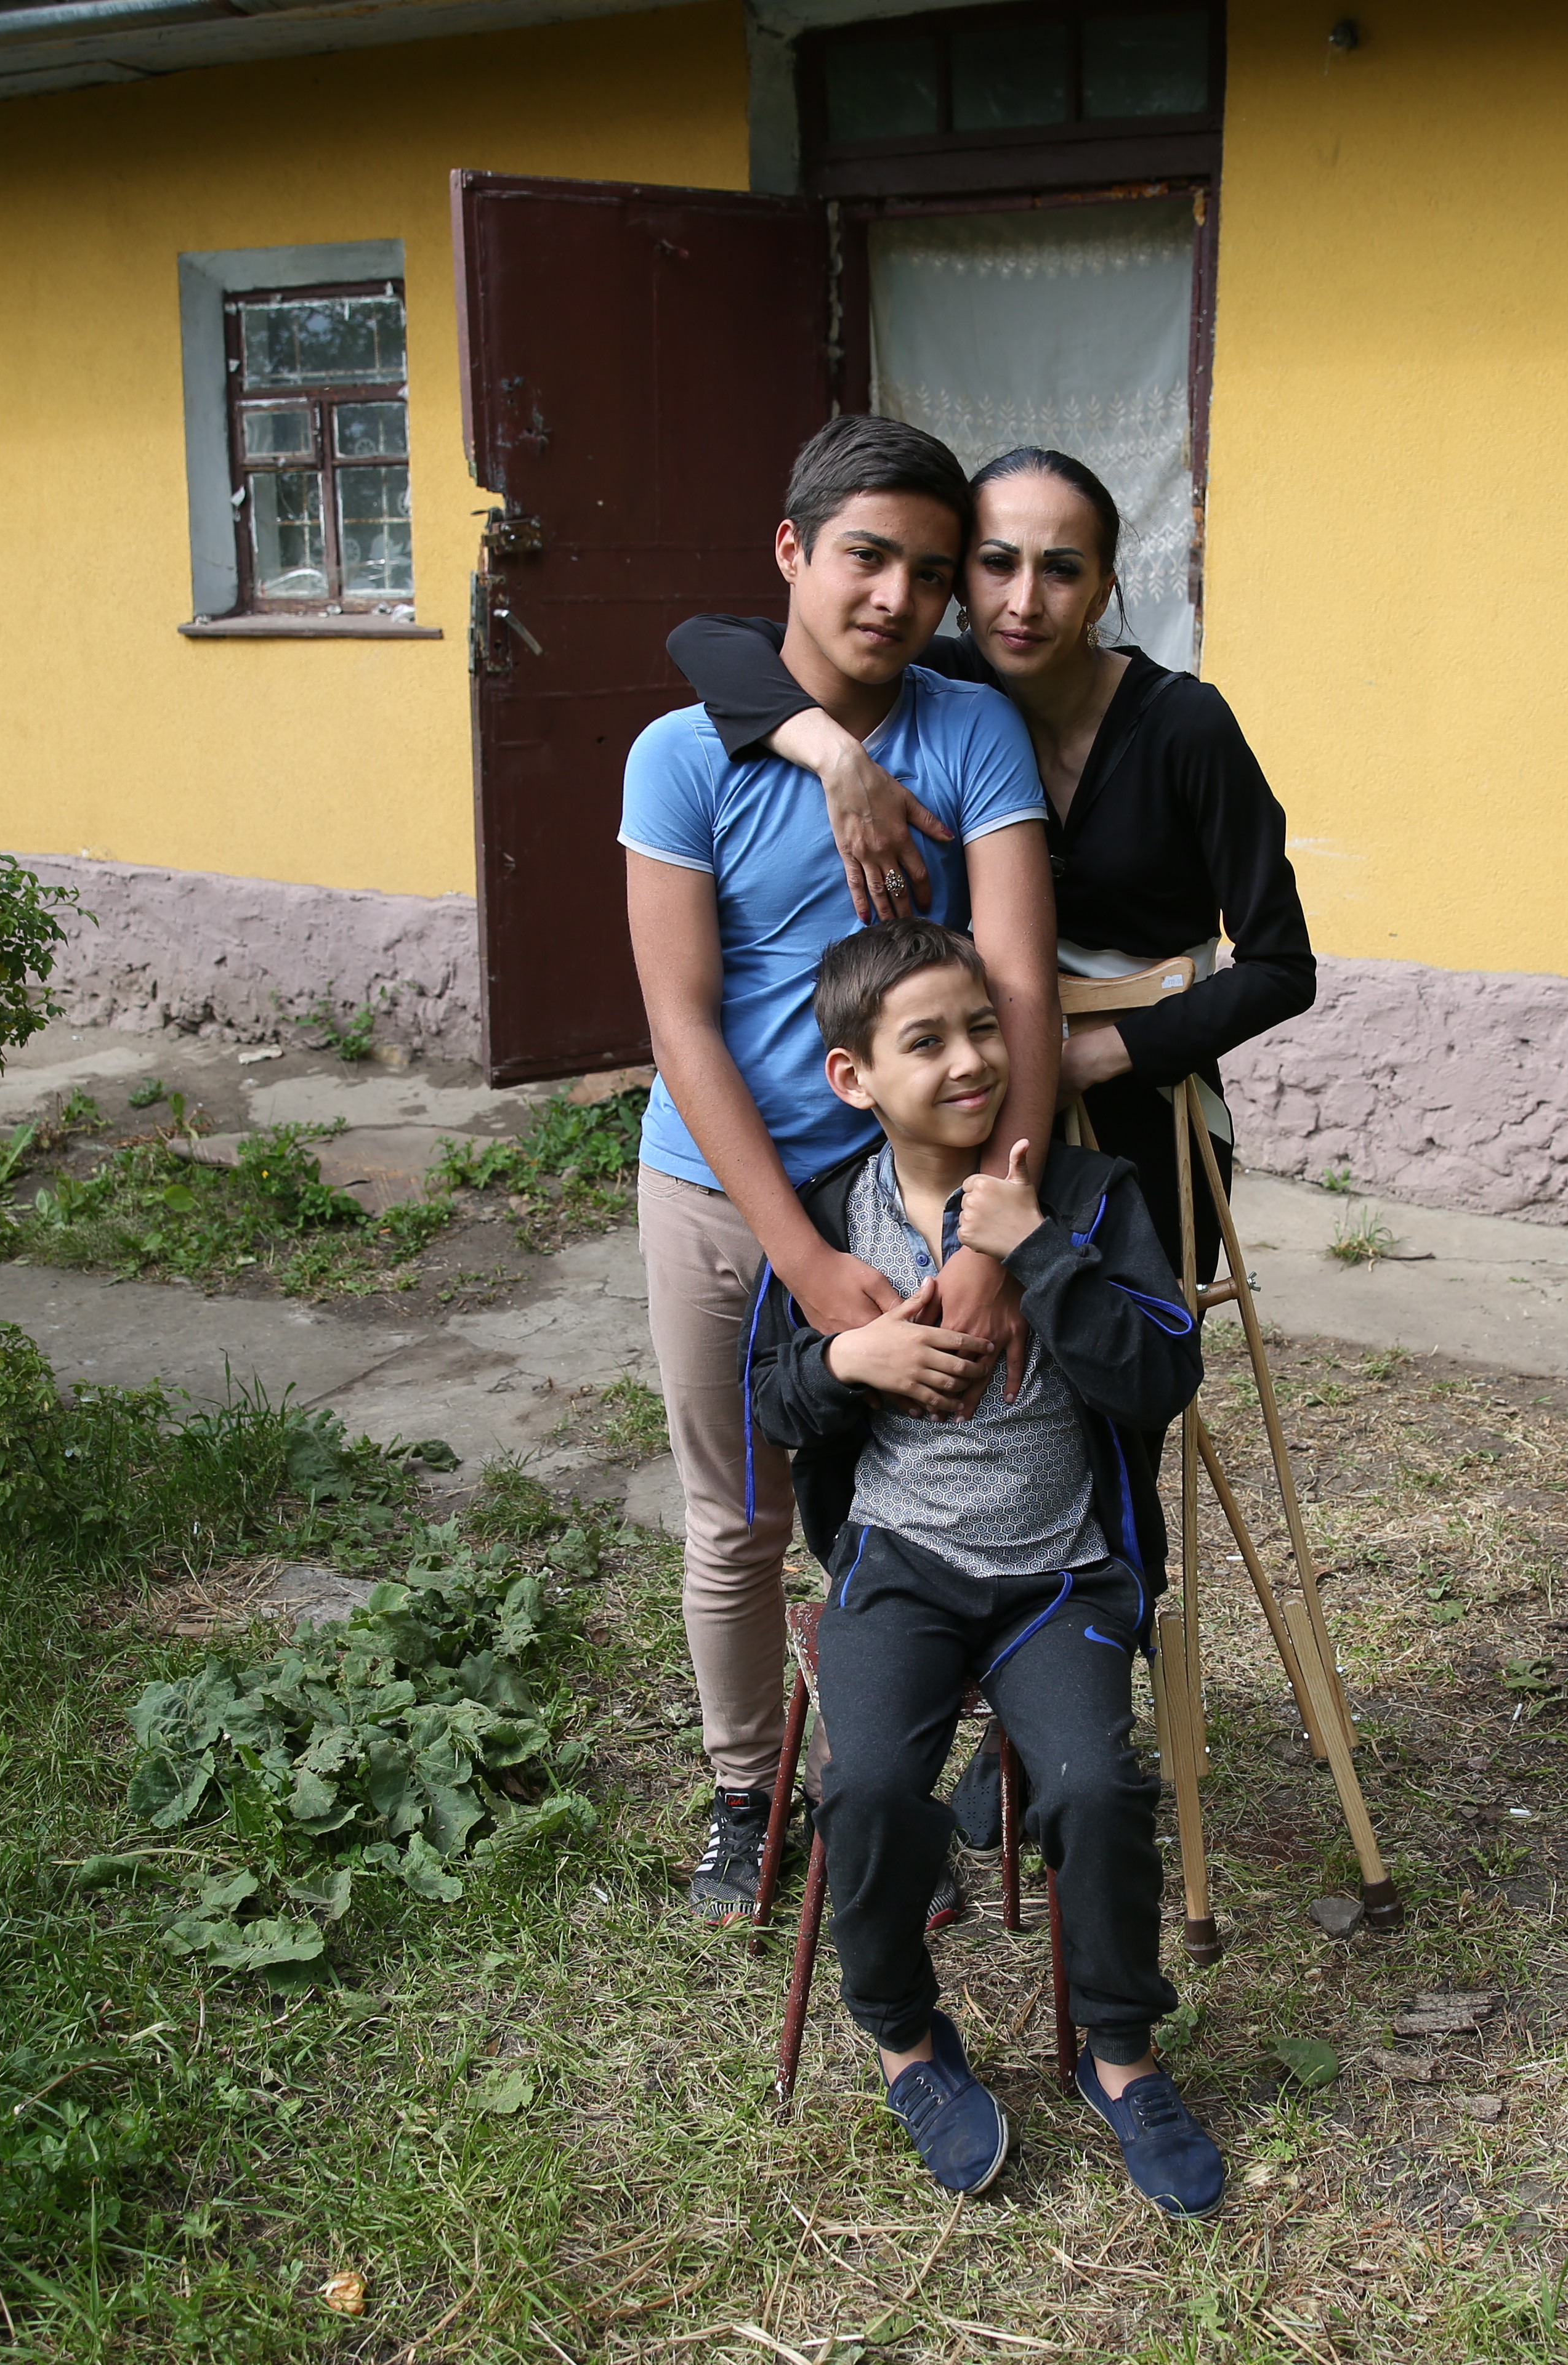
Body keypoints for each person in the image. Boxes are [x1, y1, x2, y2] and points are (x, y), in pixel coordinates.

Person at [621, 416, 1062, 1922]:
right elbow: (680, 1020)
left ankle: (920, 1768)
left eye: (932, 575)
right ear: (793, 554)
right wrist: (801, 1262)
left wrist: (994, 1231)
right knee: (740, 1509)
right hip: (718, 1195)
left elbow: (1019, 991)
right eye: (867, 556)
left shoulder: (970, 732)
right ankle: (751, 1796)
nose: (898, 597)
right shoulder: (680, 754)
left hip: (924, 1197)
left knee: (941, 1486)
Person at [748, 918, 1222, 2213]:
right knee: (876, 1790)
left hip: (1059, 1576)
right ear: (855, 1079)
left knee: (1096, 1789)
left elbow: (1161, 1376)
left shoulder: (1086, 1196)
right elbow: (775, 1402)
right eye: (926, 1040)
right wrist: (850, 1363)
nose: (967, 1060)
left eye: (980, 1028)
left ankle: (1119, 2056)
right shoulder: (828, 1223)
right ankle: (907, 2038)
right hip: (901, 1569)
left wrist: (1038, 1254)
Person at [666, 445, 1312, 1286]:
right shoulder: (947, 678)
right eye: (996, 564)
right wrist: (833, 755)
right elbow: (707, 640)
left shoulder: (1185, 727)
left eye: (1062, 571)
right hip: (966, 1100)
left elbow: (1282, 968)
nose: (1024, 603)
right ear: (961, 579)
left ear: (1103, 589)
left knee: (1117, 1376)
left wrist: (1089, 1056)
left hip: (1141, 1108)